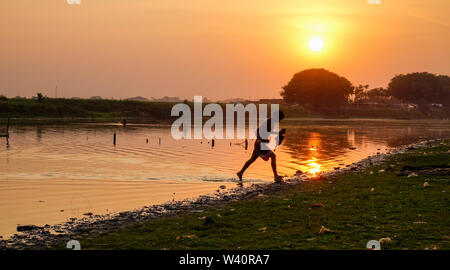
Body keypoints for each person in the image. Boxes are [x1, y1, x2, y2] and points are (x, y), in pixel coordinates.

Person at [237, 111, 286, 183]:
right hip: (260, 144)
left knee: (252, 159)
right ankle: (275, 176)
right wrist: (260, 139)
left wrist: (279, 133)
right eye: (279, 119)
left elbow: (269, 133)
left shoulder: (271, 122)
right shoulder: (269, 122)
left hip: (259, 143)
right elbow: (257, 131)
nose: (279, 121)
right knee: (272, 156)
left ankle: (240, 172)